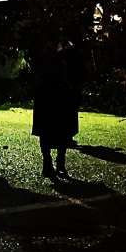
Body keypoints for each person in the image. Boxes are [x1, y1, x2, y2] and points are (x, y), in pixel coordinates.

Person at [31, 40, 84, 178]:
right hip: (55, 93)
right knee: (57, 129)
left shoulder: (57, 50)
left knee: (55, 129)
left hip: (55, 93)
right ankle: (53, 163)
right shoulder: (59, 50)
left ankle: (53, 163)